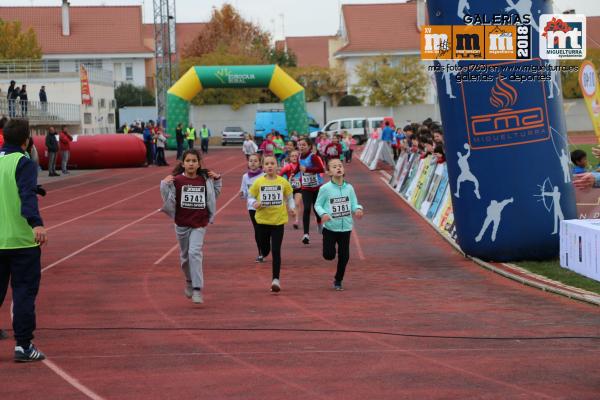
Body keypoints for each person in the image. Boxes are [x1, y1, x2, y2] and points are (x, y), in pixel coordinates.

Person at [0, 118, 48, 362]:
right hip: (21, 241)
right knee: (23, 293)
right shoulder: (24, 162)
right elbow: (25, 195)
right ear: (26, 140)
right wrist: (36, 223)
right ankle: (23, 346)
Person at [160, 149, 222, 304]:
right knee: (185, 258)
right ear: (183, 163)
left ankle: (197, 288)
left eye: (194, 161)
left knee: (195, 253)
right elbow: (166, 197)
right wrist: (163, 183)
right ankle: (189, 280)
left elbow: (215, 195)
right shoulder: (177, 180)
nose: (191, 164)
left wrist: (218, 180)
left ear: (199, 163)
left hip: (199, 224)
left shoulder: (204, 179)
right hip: (181, 224)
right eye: (188, 161)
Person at [247, 155, 295, 292]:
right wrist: (254, 203)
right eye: (267, 163)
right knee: (265, 249)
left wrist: (291, 207)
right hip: (262, 221)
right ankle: (264, 251)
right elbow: (250, 197)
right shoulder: (258, 182)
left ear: (277, 166)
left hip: (278, 222)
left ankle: (276, 279)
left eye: (272, 163)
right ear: (263, 166)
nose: (269, 166)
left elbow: (290, 196)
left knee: (276, 251)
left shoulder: (282, 182)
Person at [315, 158, 364, 291]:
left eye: (340, 166)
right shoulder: (325, 189)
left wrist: (358, 209)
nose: (338, 168)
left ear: (343, 170)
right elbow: (318, 204)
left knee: (345, 256)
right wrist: (323, 214)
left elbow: (354, 203)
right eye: (334, 166)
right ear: (329, 172)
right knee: (329, 255)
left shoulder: (349, 188)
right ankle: (328, 249)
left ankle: (338, 280)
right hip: (330, 227)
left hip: (346, 227)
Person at [297, 137, 325, 244]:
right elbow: (299, 168)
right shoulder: (299, 157)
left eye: (304, 145)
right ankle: (306, 234)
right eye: (300, 145)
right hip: (305, 187)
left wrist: (308, 170)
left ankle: (319, 224)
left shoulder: (313, 157)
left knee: (317, 209)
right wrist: (292, 174)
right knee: (307, 209)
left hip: (316, 187)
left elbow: (321, 169)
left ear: (309, 146)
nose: (301, 147)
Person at [240, 153, 265, 262]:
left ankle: (266, 245)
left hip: (263, 207)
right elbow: (245, 192)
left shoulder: (264, 175)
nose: (253, 163)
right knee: (257, 229)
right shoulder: (245, 177)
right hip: (252, 207)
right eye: (251, 161)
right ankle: (260, 253)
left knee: (264, 230)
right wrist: (242, 194)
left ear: (260, 163)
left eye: (255, 161)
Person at [279, 149, 303, 229]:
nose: (294, 157)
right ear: (289, 157)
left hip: (299, 188)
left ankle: (296, 221)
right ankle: (293, 213)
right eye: (292, 156)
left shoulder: (301, 166)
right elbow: (280, 176)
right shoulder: (287, 167)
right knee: (289, 207)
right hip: (289, 189)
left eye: (296, 156)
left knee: (297, 203)